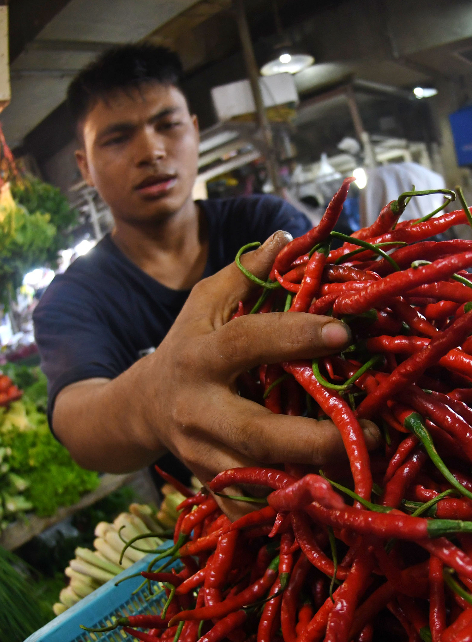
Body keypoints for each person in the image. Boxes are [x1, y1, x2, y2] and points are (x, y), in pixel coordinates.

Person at [33, 45, 378, 490]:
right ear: (85, 166)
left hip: (347, 477)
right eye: (117, 139)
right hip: (222, 516)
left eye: (168, 125)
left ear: (194, 131)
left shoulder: (264, 224)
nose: (151, 151)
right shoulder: (74, 298)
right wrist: (150, 400)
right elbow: (78, 423)